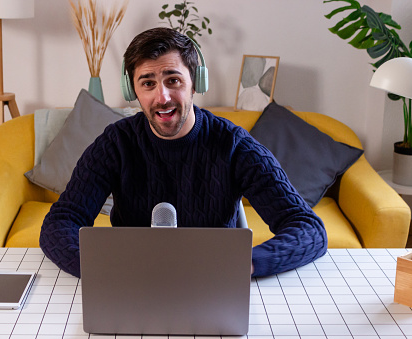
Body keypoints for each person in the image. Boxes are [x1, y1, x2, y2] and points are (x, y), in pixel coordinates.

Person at [40, 27, 327, 278]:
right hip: (131, 280)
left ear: (195, 84)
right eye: (148, 83)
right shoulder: (115, 143)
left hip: (213, 282)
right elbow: (60, 223)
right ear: (134, 91)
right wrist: (104, 268)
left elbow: (309, 229)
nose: (161, 97)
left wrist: (245, 264)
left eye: (173, 80)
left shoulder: (234, 145)